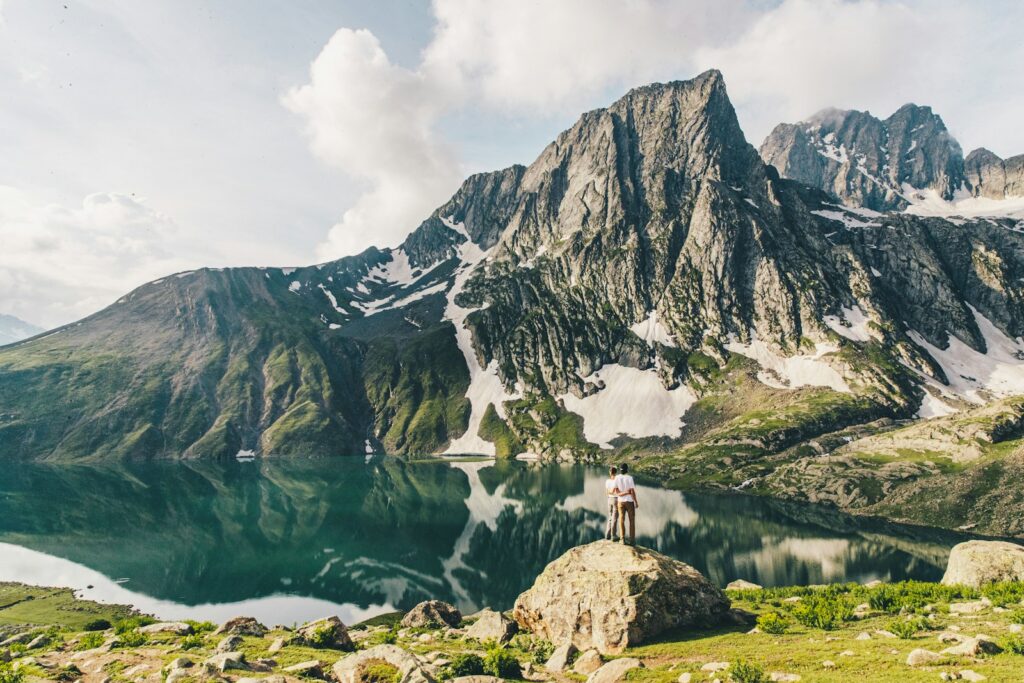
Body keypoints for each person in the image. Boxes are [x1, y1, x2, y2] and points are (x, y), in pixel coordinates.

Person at [614, 463, 638, 545]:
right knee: (632, 521)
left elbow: (617, 492)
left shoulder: (616, 478)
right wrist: (636, 502)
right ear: (627, 469)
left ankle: (622, 539)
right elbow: (632, 491)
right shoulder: (630, 478)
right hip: (629, 501)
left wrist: (623, 493)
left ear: (620, 470)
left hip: (620, 502)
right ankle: (632, 540)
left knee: (621, 520)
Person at [604, 466, 619, 540]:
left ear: (610, 472)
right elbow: (615, 491)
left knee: (610, 516)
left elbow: (607, 492)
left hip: (609, 499)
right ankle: (613, 535)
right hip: (616, 499)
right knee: (615, 518)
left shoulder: (607, 481)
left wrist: (610, 492)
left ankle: (607, 534)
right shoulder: (617, 481)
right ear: (616, 472)